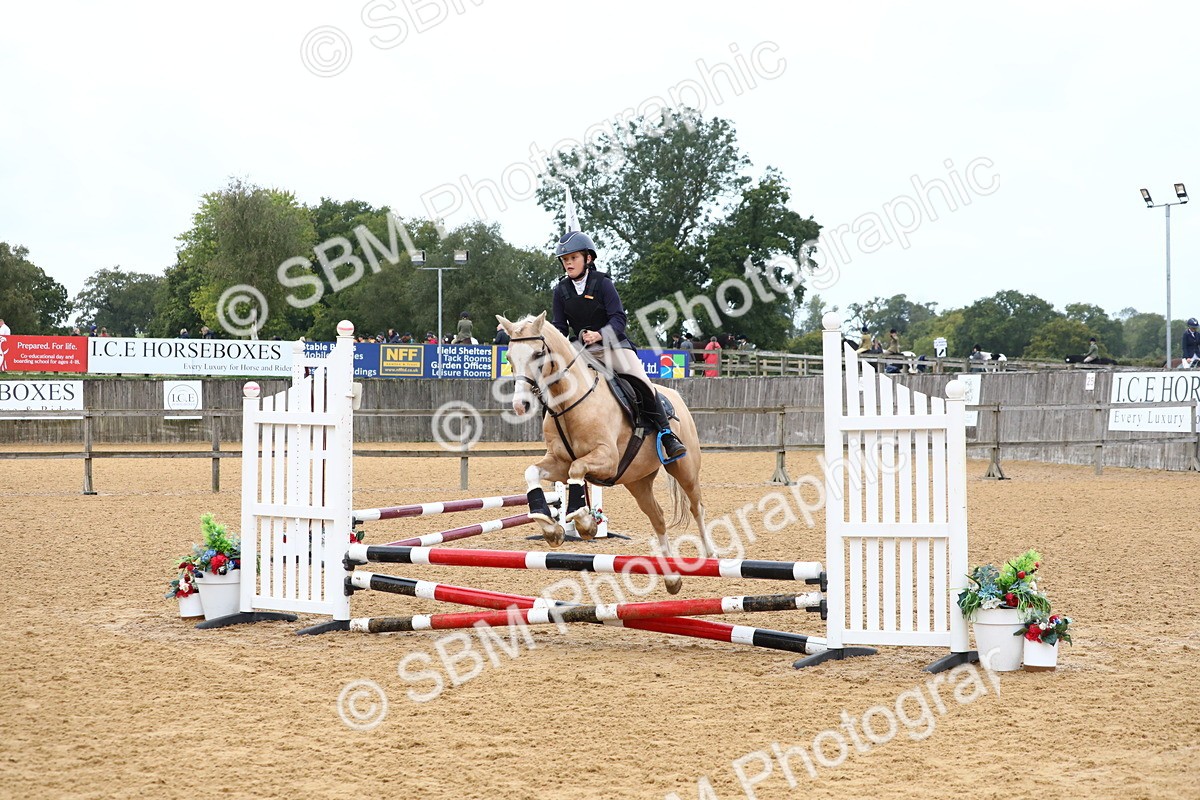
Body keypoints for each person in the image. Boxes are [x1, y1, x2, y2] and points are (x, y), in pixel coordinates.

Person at [550, 230, 686, 463]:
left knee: (640, 379)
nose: (568, 263)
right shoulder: (560, 291)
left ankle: (666, 434)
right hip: (581, 351)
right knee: (557, 383)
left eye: (573, 258)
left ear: (588, 258)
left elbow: (619, 319)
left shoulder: (603, 283)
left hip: (613, 346)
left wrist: (600, 334)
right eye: (565, 260)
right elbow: (560, 328)